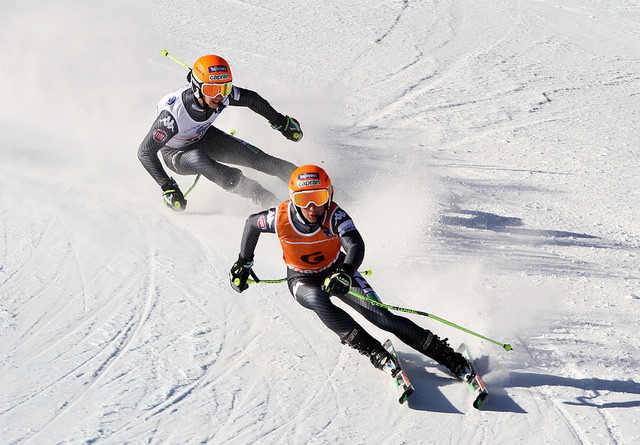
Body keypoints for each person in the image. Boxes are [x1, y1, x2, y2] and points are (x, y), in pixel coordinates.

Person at [229, 164, 472, 380]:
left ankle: (445, 355)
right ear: (294, 200)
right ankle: (374, 351)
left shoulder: (336, 215)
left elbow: (355, 244)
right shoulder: (281, 217)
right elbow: (252, 223)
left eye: (319, 197)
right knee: (317, 300)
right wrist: (244, 262)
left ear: (329, 194)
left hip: (338, 270)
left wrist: (345, 271)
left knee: (382, 317)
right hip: (302, 278)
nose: (313, 207)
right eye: (305, 200)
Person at [138, 54, 303, 211]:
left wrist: (280, 121)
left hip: (203, 136)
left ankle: (307, 184)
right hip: (175, 154)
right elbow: (145, 152)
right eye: (211, 90)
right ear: (196, 89)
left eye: (225, 88)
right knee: (197, 158)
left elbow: (252, 99)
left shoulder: (221, 94)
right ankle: (261, 196)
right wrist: (167, 186)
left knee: (260, 160)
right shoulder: (173, 115)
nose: (218, 96)